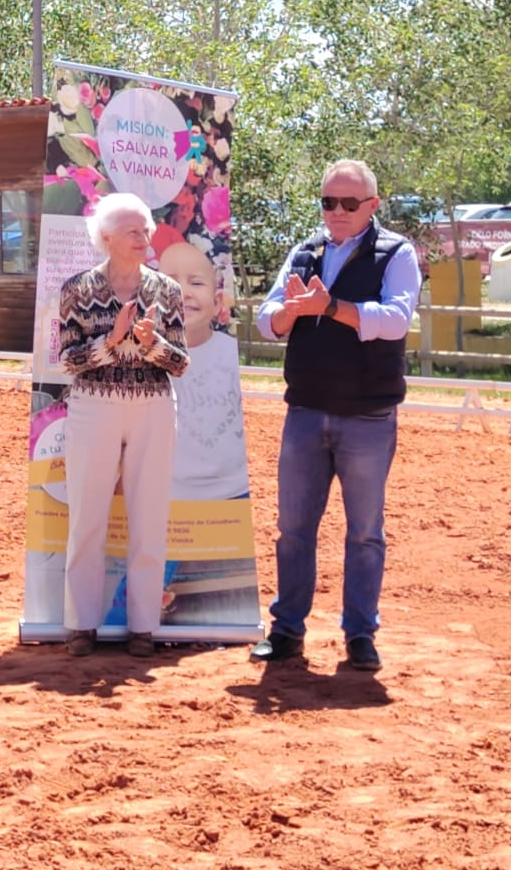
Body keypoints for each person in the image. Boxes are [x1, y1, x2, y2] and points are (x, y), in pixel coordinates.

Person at [250, 159, 420, 673]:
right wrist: (292, 312)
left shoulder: (397, 252)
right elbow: (265, 321)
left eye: (349, 203)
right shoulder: (305, 252)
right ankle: (286, 631)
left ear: (373, 204)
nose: (338, 212)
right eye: (329, 202)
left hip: (367, 415)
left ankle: (360, 635)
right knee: (293, 530)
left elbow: (395, 321)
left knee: (365, 532)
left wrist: (330, 307)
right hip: (305, 410)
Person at [57, 193, 188, 658]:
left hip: (153, 408)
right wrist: (111, 342)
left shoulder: (167, 291)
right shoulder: (76, 289)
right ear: (107, 237)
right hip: (93, 407)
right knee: (86, 517)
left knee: (149, 518)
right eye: (134, 231)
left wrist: (151, 345)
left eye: (147, 229)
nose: (145, 238)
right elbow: (68, 361)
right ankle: (80, 625)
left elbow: (180, 362)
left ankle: (144, 628)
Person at [158, 241, 249, 502]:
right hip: (162, 496)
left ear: (217, 301)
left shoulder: (232, 354)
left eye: (196, 283)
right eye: (170, 283)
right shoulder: (142, 357)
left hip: (232, 495)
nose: (183, 292)